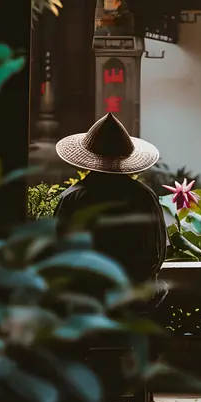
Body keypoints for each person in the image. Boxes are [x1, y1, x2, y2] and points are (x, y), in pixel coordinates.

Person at [54, 113, 167, 284]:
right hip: (134, 297)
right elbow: (157, 253)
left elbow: (58, 253)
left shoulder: (72, 197)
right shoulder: (144, 196)